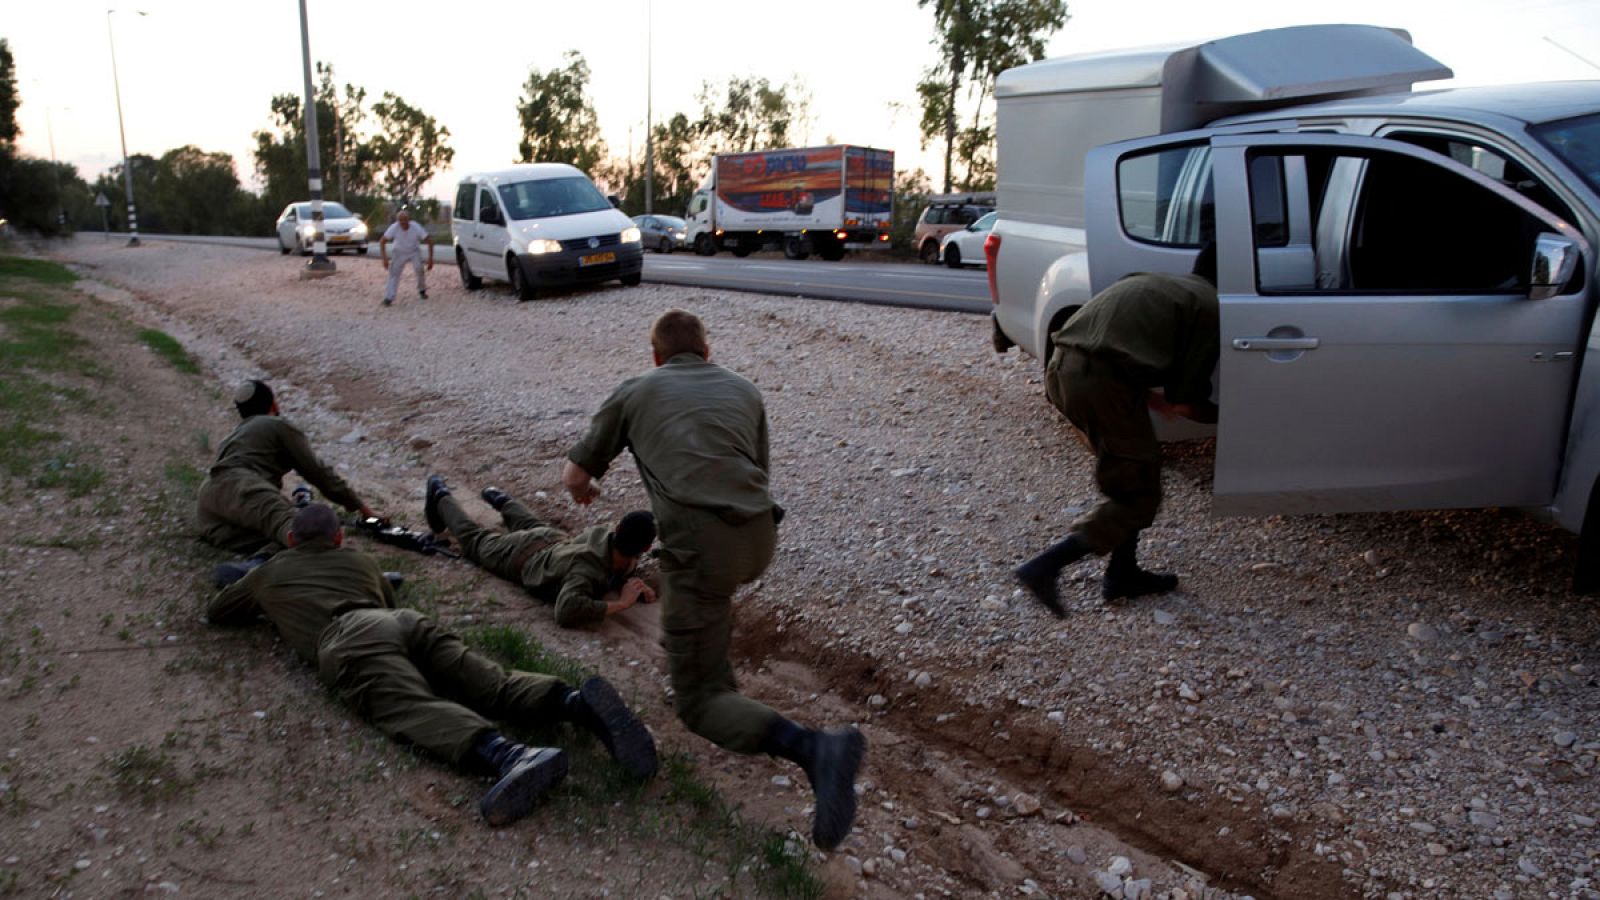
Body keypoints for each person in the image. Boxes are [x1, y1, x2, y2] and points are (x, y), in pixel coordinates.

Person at [562, 308, 865, 851]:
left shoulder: (635, 390)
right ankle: (725, 689)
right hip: (758, 536)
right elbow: (757, 471)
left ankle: (816, 750)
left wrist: (585, 492)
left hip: (703, 547)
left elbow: (575, 476)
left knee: (696, 703)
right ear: (707, 353)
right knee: (708, 607)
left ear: (656, 357)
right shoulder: (744, 390)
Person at [206, 503, 659, 826]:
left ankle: (510, 756)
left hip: (347, 639)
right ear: (339, 538)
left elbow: (220, 610)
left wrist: (261, 583)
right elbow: (385, 600)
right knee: (486, 678)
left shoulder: (269, 572)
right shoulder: (359, 560)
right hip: (400, 620)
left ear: (290, 540)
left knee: (410, 705)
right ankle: (574, 702)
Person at [1014, 245, 1220, 615]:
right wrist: (1236, 418)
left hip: (1062, 370)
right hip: (1099, 385)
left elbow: (1118, 342)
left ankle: (1123, 573)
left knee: (1137, 473)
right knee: (1138, 494)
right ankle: (1045, 566)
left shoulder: (1158, 282)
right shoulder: (1209, 305)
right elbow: (1185, 400)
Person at [421, 476, 659, 628]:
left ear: (618, 528)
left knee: (532, 525)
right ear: (647, 548)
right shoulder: (585, 572)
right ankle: (440, 494)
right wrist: (622, 603)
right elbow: (565, 612)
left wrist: (631, 583)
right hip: (521, 555)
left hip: (553, 540)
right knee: (475, 540)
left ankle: (502, 500)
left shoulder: (607, 533)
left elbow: (617, 564)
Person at [196, 379, 377, 559]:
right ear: (274, 404)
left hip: (208, 506)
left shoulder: (232, 437)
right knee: (304, 536)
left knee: (273, 537)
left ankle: (259, 563)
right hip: (242, 486)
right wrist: (366, 512)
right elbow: (319, 473)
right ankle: (342, 571)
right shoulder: (277, 425)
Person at [379, 208, 434, 307]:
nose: (403, 222)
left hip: (414, 251)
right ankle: (389, 297)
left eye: (405, 219)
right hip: (399, 252)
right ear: (398, 221)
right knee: (394, 274)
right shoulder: (394, 227)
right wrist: (384, 259)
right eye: (401, 220)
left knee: (419, 269)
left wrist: (430, 259)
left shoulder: (415, 226)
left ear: (409, 219)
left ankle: (422, 289)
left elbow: (429, 241)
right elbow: (382, 241)